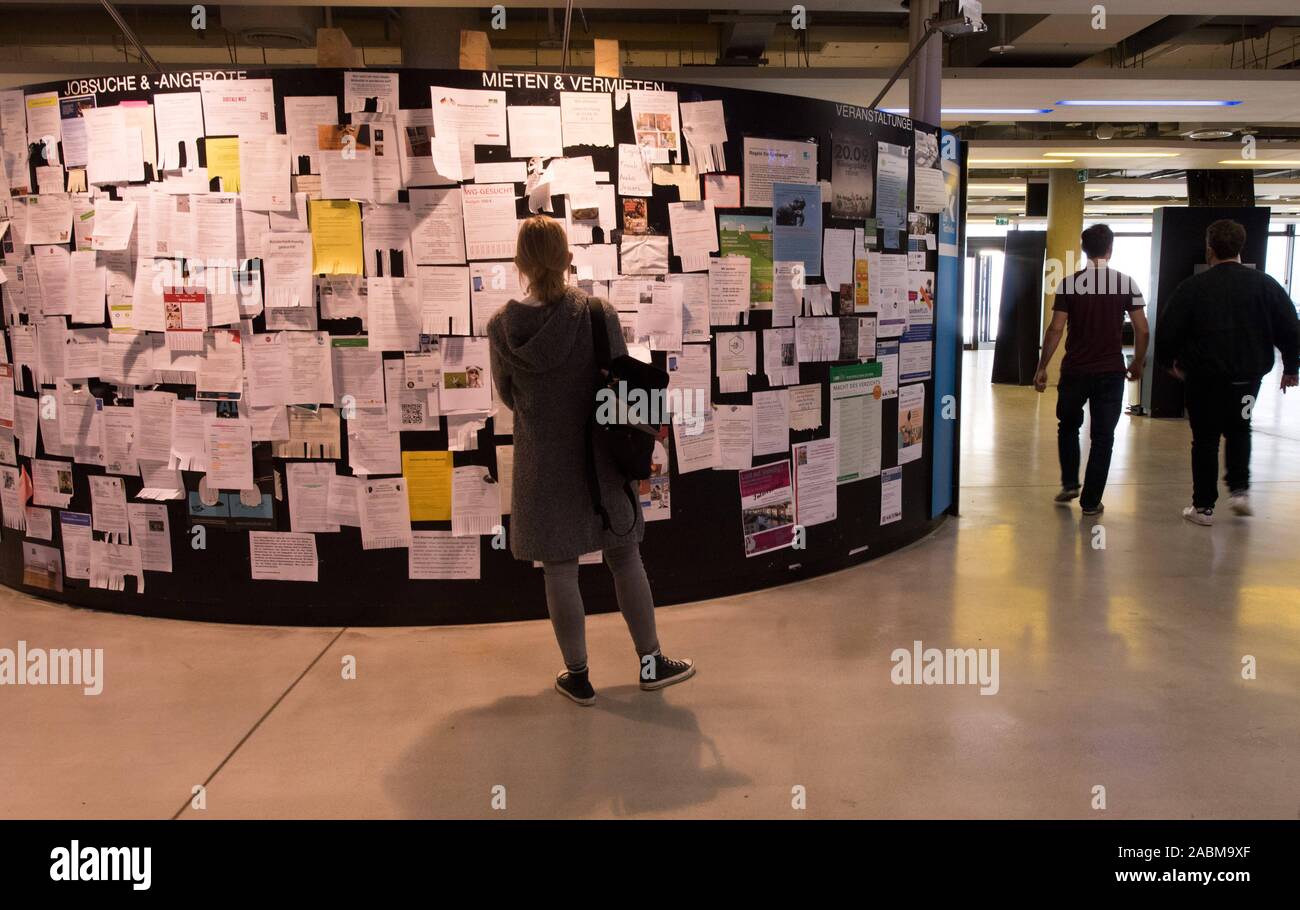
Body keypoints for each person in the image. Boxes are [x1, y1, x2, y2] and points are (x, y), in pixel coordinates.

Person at [486, 216, 695, 706]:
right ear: (566, 257)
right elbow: (621, 381)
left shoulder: (501, 327)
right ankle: (651, 664)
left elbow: (509, 396)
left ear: (520, 262)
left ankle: (578, 676)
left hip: (542, 463)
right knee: (625, 558)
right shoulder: (595, 312)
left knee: (558, 570)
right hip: (602, 458)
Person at [1154, 219, 1300, 526]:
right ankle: (1240, 491)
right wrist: (1291, 366)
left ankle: (1204, 507)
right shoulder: (1265, 284)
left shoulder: (1193, 288)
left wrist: (1169, 362)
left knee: (1205, 440)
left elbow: (1169, 328)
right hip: (1247, 378)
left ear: (1210, 249)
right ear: (1240, 247)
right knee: (1240, 430)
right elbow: (1290, 325)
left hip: (1204, 378)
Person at [1033, 224, 1150, 516]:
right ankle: (1090, 501)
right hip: (1111, 373)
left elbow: (1056, 329)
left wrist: (1041, 367)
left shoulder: (1070, 284)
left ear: (1085, 249)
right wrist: (1137, 361)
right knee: (1103, 437)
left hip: (1075, 371)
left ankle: (1071, 483)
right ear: (1110, 250)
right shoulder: (1126, 283)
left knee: (1068, 426)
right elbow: (1142, 329)